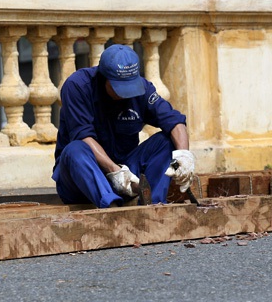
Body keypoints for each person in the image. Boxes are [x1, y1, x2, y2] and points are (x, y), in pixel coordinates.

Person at [52, 44, 195, 208]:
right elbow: (83, 135)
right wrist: (115, 171)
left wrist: (184, 156)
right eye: (119, 88)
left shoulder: (143, 88)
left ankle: (154, 207)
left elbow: (175, 121)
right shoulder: (77, 86)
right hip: (82, 181)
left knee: (166, 141)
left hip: (127, 176)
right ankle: (112, 209)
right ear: (104, 78)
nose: (125, 94)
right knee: (75, 149)